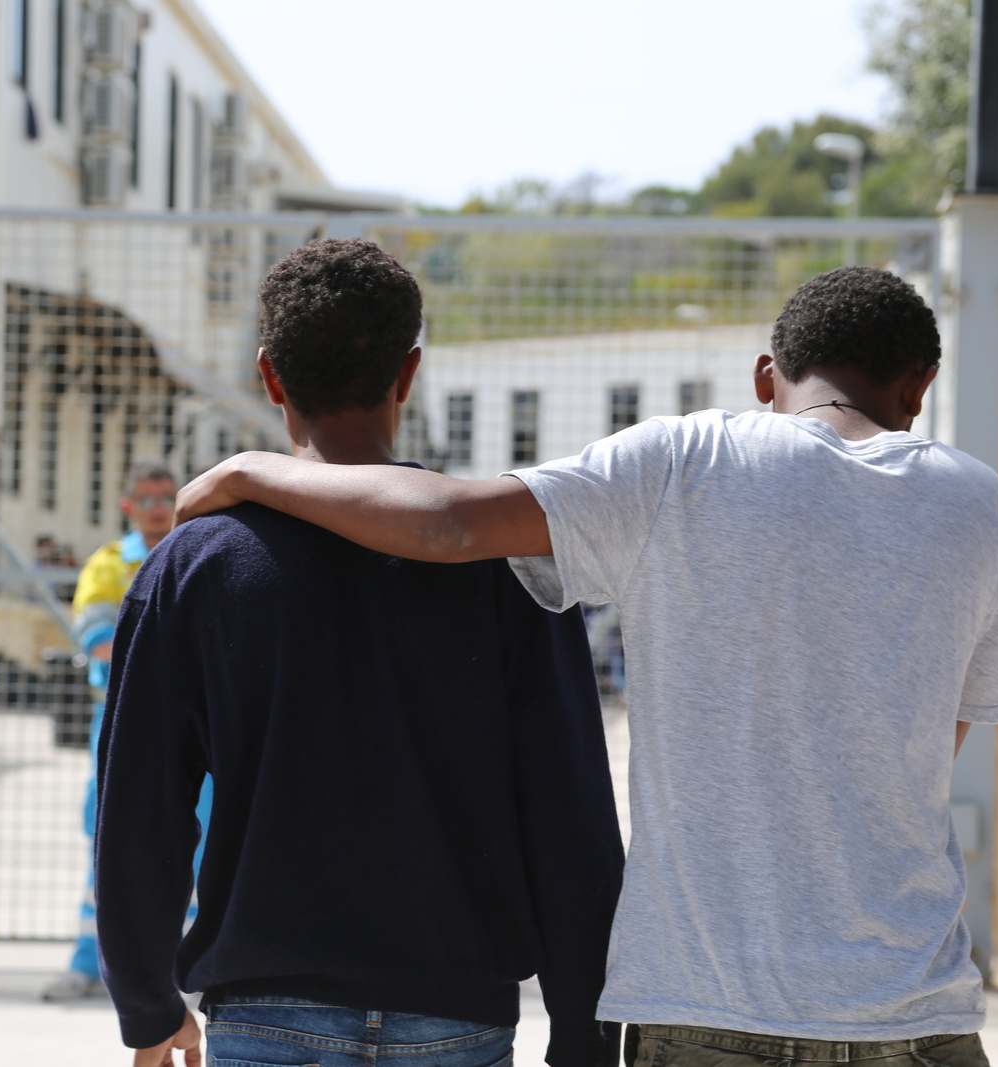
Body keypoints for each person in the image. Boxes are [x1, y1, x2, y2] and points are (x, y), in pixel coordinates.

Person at [177, 266, 998, 1067]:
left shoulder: (688, 463)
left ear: (766, 377)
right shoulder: (978, 505)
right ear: (920, 388)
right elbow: (926, 750)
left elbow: (449, 528)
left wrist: (258, 470)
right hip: (919, 1009)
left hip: (708, 1007)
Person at [94, 239, 624, 1067]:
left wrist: (147, 999)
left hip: (265, 1014)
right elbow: (568, 811)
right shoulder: (504, 562)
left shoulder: (193, 566)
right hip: (457, 1014)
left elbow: (139, 805)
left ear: (270, 377)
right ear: (408, 375)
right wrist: (584, 1030)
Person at [42, 462, 214, 1002]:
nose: (159, 507)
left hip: (194, 726)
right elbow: (96, 638)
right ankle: (90, 964)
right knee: (109, 841)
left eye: (167, 496)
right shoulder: (110, 565)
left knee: (204, 838)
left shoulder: (202, 550)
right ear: (128, 507)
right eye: (147, 499)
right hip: (121, 725)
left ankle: (188, 969)